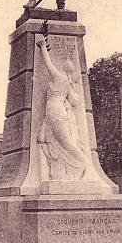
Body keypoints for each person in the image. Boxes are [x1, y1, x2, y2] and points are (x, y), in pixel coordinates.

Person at [36, 37, 88, 179]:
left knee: (64, 142)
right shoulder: (68, 83)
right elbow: (73, 101)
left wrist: (42, 46)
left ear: (64, 69)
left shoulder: (59, 77)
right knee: (61, 141)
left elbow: (48, 63)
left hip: (55, 111)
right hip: (58, 112)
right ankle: (79, 165)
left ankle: (83, 164)